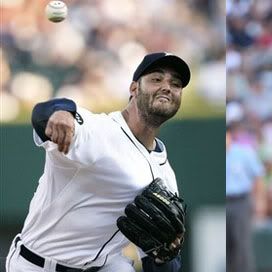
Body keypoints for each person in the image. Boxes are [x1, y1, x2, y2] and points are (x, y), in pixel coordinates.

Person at [6, 52, 191, 272]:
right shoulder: (97, 131)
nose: (167, 87)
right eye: (156, 79)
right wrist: (60, 112)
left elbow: (159, 267)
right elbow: (42, 114)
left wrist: (165, 255)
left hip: (104, 265)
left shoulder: (166, 176)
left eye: (176, 83)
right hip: (39, 264)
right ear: (134, 89)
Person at [226, 121, 265, 272]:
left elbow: (258, 178)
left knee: (242, 247)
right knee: (226, 245)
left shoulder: (243, 153)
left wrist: (260, 203)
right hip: (225, 202)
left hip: (240, 201)